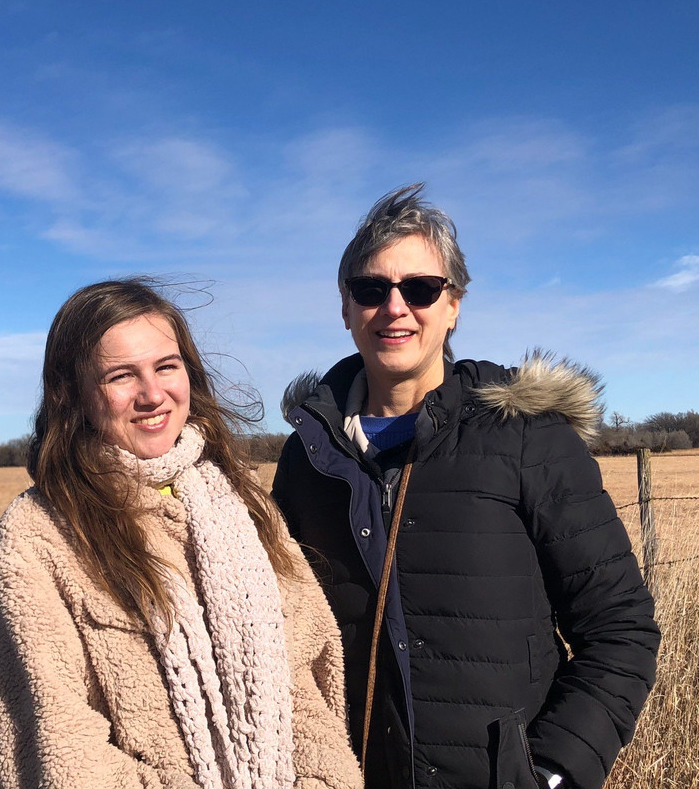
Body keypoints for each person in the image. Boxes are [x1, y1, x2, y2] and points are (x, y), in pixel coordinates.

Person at [273, 185, 660, 789]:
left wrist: (553, 770)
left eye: (421, 289)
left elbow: (620, 627)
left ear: (454, 305)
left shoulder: (525, 437)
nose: (395, 308)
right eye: (372, 290)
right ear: (346, 309)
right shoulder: (309, 458)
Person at [0, 279, 364, 789]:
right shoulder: (37, 539)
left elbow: (308, 682)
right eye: (121, 376)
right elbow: (61, 751)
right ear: (71, 395)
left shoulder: (242, 502)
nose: (152, 394)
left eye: (166, 366)